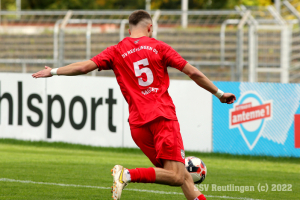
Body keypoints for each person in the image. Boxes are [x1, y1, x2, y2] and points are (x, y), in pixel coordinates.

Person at [32, 10, 236, 200]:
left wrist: (53, 71)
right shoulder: (159, 47)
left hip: (138, 125)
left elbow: (84, 67)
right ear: (150, 27)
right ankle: (127, 174)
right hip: (162, 117)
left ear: (129, 30)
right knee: (175, 175)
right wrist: (219, 93)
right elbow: (194, 73)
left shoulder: (116, 50)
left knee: (180, 175)